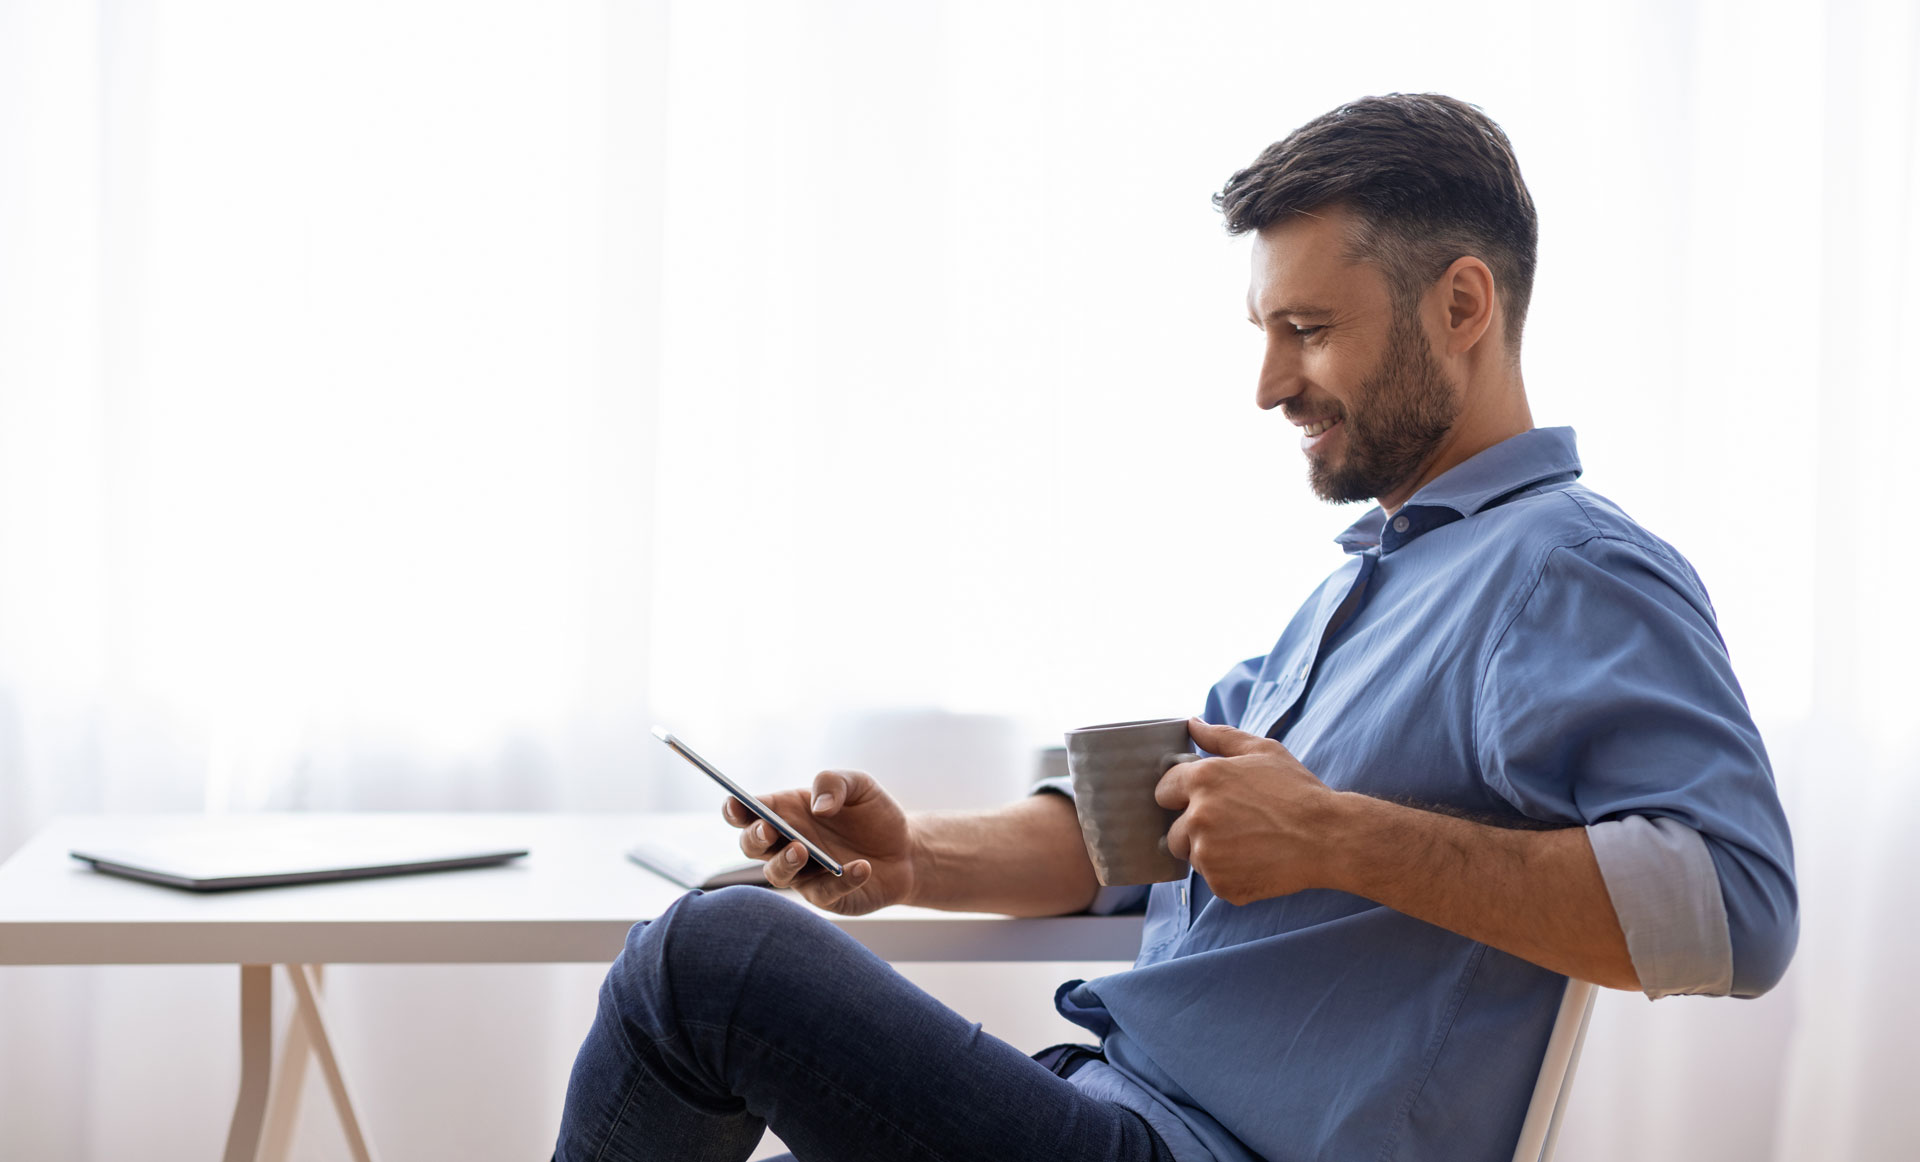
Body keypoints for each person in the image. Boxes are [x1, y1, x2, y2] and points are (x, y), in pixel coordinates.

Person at [552, 93, 1798, 1162]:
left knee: (706, 959)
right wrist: (907, 858)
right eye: (1266, 332)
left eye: (1307, 331)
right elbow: (1133, 831)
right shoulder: (1369, 583)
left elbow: (1738, 913)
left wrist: (1339, 835)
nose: (1268, 384)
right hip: (1105, 1096)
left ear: (1462, 302)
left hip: (1193, 1145)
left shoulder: (1568, 571)